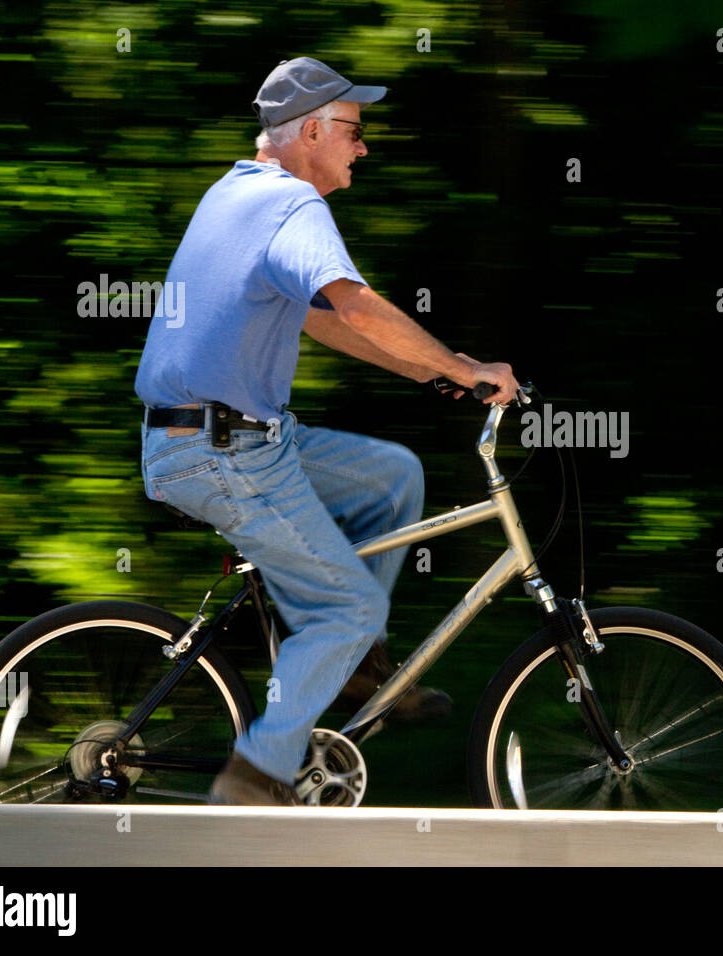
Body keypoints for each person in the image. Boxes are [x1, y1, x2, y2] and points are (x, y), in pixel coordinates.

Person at [133, 57, 520, 805]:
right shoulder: (292, 206)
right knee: (349, 606)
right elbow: (356, 306)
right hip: (223, 452)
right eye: (353, 131)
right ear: (311, 130)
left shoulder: (234, 193)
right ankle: (254, 776)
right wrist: (460, 366)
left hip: (220, 438)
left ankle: (351, 670)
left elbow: (319, 318)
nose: (362, 147)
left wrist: (441, 369)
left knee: (393, 477)